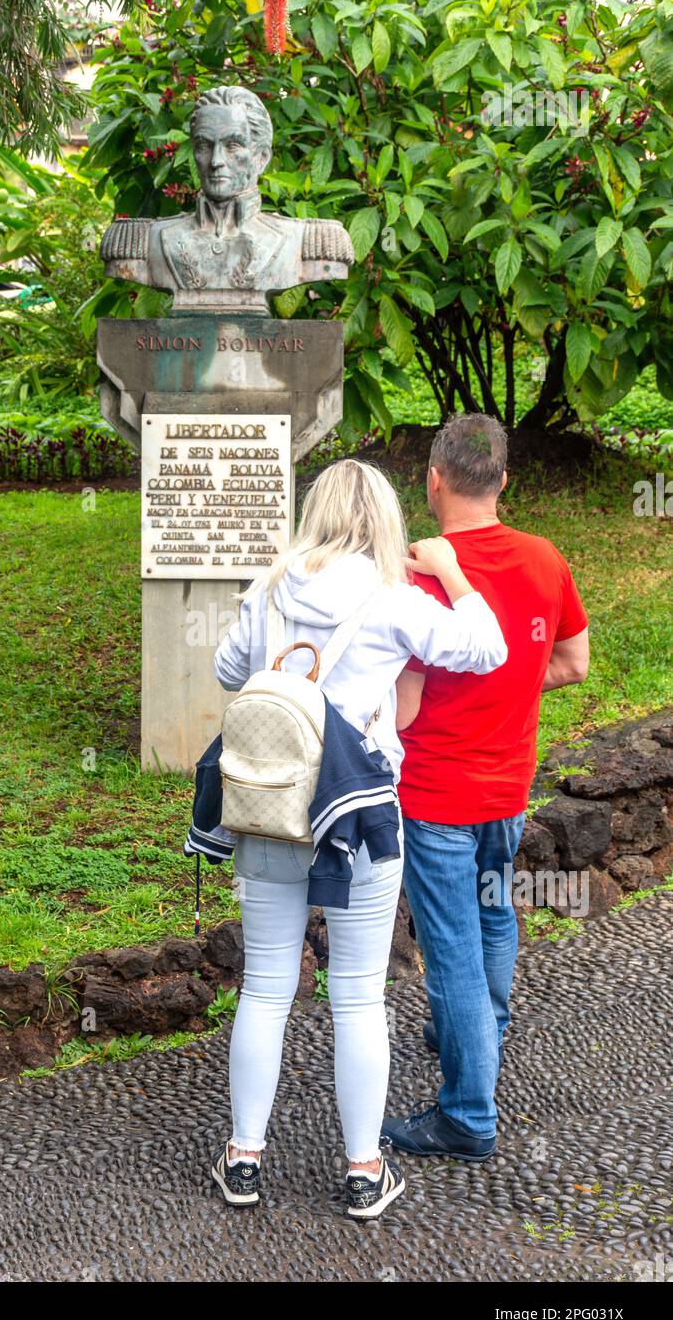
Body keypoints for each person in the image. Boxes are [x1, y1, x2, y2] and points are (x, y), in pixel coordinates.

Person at [210, 458, 509, 1218]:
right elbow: (486, 648)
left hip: (272, 810)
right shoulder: (392, 601)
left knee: (267, 987)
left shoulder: (269, 586)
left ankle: (245, 1159)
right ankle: (363, 1170)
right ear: (383, 520)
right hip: (361, 815)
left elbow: (227, 671)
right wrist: (458, 578)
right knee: (358, 997)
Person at [381, 414, 589, 1163]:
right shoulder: (544, 558)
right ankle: (480, 1039)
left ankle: (467, 1113)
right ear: (502, 480)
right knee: (496, 916)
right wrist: (510, 689)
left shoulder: (415, 572)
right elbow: (573, 662)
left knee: (452, 950)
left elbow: (399, 691)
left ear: (432, 479)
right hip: (509, 784)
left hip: (435, 793)